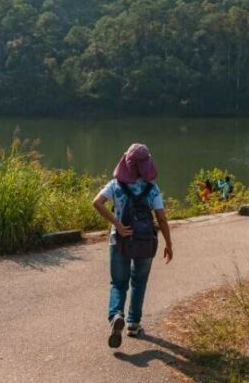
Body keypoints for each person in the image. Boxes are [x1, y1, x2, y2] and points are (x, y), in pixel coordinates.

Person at [92, 144, 173, 348]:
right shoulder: (152, 189)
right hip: (145, 242)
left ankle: (116, 316)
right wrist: (168, 244)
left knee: (118, 283)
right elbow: (161, 218)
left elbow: (97, 203)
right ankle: (133, 324)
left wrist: (117, 225)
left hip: (119, 241)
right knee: (139, 282)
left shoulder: (116, 185)